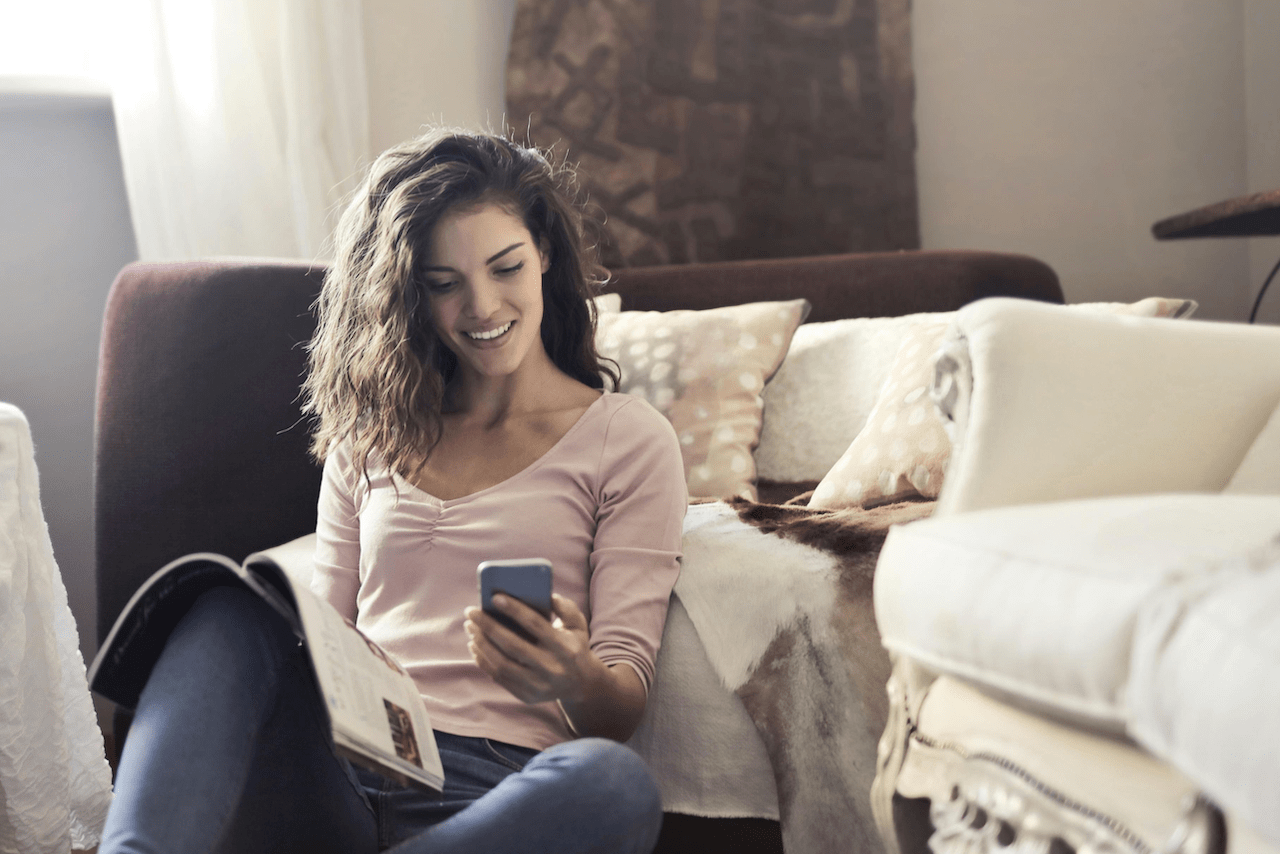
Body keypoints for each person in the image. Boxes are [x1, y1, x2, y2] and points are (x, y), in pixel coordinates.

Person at [99, 129, 688, 854]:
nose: (481, 306)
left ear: (544, 255)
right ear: (412, 294)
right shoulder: (371, 437)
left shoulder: (627, 440)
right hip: (342, 767)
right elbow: (328, 637)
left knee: (613, 780)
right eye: (445, 284)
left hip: (496, 794)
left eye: (506, 267)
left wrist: (574, 676)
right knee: (223, 602)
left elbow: (620, 703)